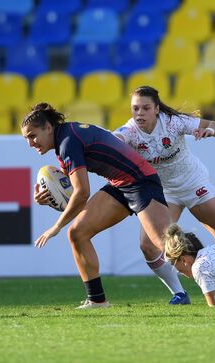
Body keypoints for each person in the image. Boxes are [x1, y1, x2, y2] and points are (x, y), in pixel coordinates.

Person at [21, 102, 189, 309]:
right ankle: (97, 300)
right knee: (77, 233)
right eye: (26, 138)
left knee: (166, 246)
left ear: (48, 128)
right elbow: (69, 191)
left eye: (32, 135)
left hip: (141, 182)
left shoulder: (67, 142)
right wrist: (47, 197)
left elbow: (81, 194)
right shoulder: (65, 138)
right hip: (120, 185)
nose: (30, 143)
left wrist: (56, 227)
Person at [112, 86, 215, 277]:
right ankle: (181, 292)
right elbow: (115, 138)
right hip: (165, 193)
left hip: (194, 184)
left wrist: (208, 130)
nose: (139, 113)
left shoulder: (173, 122)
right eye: (135, 108)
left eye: (145, 108)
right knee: (148, 246)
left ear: (157, 109)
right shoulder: (131, 131)